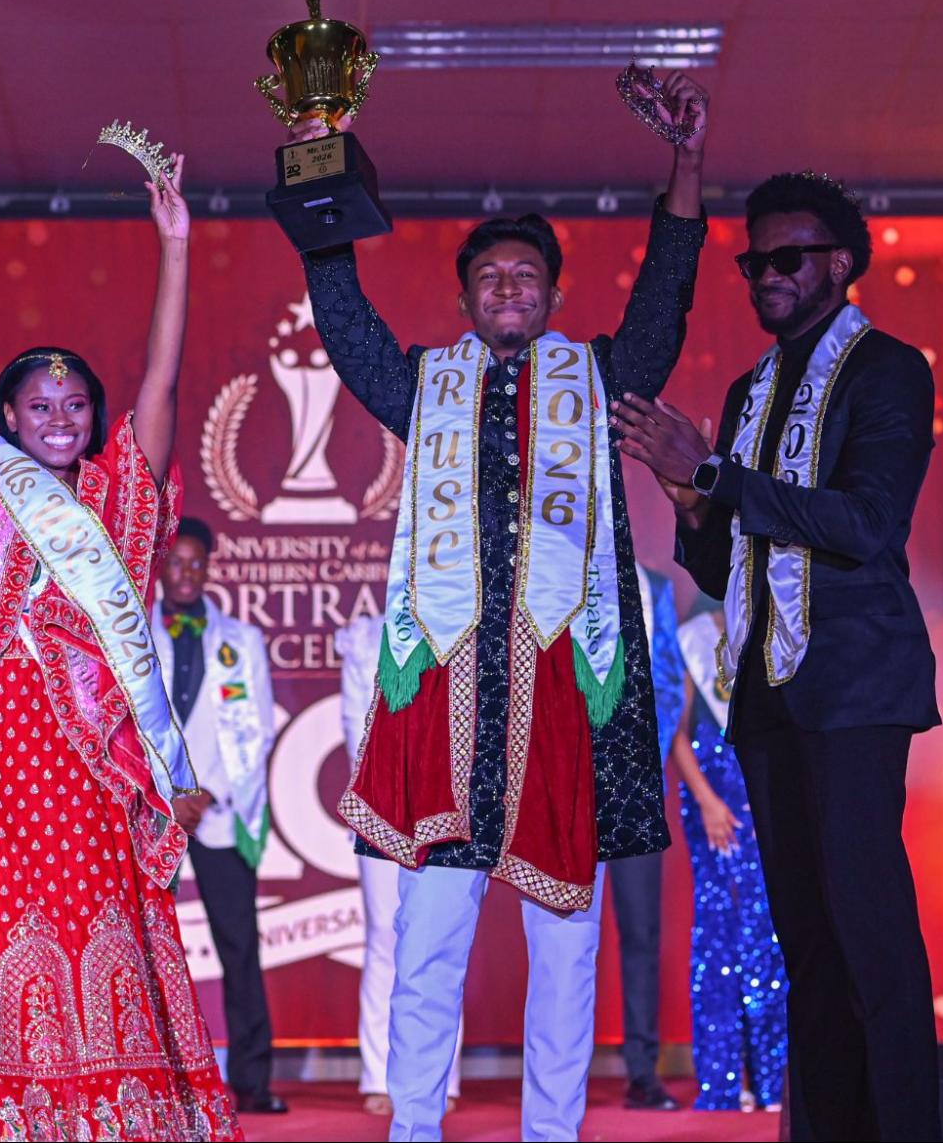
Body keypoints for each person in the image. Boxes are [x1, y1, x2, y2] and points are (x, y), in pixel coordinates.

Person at [296, 75, 710, 1143]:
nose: (510, 285)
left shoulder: (603, 376)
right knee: (428, 942)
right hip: (446, 702)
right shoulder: (424, 384)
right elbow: (346, 329)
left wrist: (683, 172)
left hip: (564, 702)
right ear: (469, 297)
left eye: (528, 273)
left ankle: (550, 1132)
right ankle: (416, 1127)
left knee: (565, 955)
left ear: (554, 296)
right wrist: (318, 176)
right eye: (490, 275)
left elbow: (663, 306)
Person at [0, 156, 240, 1142]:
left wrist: (175, 247)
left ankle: (110, 1113)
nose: (58, 418)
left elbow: (162, 378)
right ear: (5, 421)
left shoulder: (120, 491)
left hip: (86, 762)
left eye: (73, 405)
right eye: (37, 408)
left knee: (99, 928)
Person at [618, 171, 943, 1140]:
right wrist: (688, 505)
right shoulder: (747, 389)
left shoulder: (887, 367)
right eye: (753, 259)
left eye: (785, 257)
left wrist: (713, 469)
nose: (764, 273)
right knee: (803, 940)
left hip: (853, 684)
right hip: (765, 694)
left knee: (868, 933)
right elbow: (728, 559)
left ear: (839, 265)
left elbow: (865, 521)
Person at [149, 517, 285, 1116]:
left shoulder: (240, 640)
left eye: (195, 563)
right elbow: (121, 722)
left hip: (219, 813)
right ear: (160, 567)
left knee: (239, 946)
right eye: (174, 563)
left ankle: (253, 1080)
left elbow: (255, 728)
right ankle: (155, 1078)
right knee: (148, 947)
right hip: (151, 814)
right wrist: (165, 796)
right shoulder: (132, 633)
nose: (184, 573)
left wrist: (206, 795)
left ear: (209, 567)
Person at [334, 613, 462, 1118]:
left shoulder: (463, 628)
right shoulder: (368, 638)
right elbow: (353, 727)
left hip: (449, 809)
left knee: (441, 943)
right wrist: (382, 803)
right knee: (385, 940)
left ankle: (442, 1077)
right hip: (379, 806)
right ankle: (379, 1073)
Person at [671, 602, 786, 1112]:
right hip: (714, 799)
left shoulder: (772, 621)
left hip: (765, 790)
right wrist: (707, 800)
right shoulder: (691, 636)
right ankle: (721, 1081)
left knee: (770, 936)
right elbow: (674, 729)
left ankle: (773, 1081)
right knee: (719, 935)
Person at [606, 567, 685, 1110]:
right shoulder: (556, 575)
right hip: (563, 783)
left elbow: (672, 681)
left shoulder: (653, 587)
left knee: (641, 933)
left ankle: (642, 1070)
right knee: (558, 932)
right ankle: (552, 1075)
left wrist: (638, 760)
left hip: (634, 786)